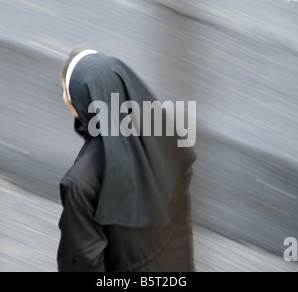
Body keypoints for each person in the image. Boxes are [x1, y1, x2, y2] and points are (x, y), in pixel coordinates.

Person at [57, 47, 197, 272]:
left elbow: (82, 263)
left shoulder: (81, 183)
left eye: (67, 91)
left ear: (85, 99)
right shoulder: (161, 133)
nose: (64, 97)